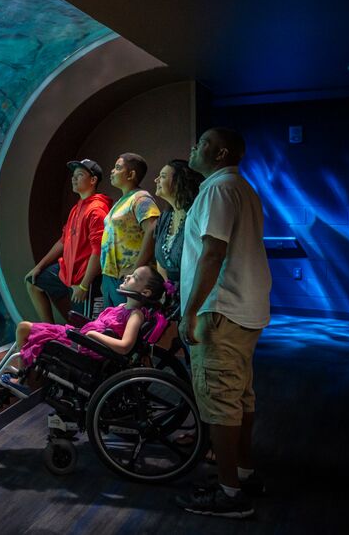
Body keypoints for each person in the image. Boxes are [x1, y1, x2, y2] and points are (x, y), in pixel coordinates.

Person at [175, 128, 271, 519]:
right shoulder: (243, 189)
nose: (193, 147)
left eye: (200, 144)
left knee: (219, 402)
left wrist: (190, 310)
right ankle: (243, 472)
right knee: (241, 397)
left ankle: (229, 493)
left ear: (220, 152)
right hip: (245, 310)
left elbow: (212, 253)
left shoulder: (217, 190)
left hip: (220, 311)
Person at [14, 265, 166, 366]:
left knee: (23, 328)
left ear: (145, 293)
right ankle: (23, 374)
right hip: (82, 339)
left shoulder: (135, 316)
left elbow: (125, 347)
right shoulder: (121, 307)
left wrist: (93, 335)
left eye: (134, 277)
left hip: (87, 347)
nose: (127, 276)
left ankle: (21, 377)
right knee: (25, 328)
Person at [25, 159, 112, 323]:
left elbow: (99, 251)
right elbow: (63, 241)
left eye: (79, 175)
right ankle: (49, 330)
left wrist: (84, 285)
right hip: (67, 271)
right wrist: (39, 267)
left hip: (86, 280)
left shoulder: (97, 210)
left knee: (85, 330)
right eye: (73, 175)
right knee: (33, 282)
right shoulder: (77, 207)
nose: (74, 178)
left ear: (93, 180)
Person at [99, 153, 160, 309]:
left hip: (128, 278)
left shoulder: (141, 198)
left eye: (118, 168)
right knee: (111, 324)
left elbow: (153, 228)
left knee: (127, 326)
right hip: (111, 277)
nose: (112, 171)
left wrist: (135, 269)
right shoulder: (122, 200)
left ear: (131, 174)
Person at [153, 158, 205, 290]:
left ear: (179, 182)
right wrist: (167, 289)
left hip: (194, 291)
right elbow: (161, 262)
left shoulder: (195, 215)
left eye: (163, 176)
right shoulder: (164, 217)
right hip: (171, 297)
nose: (156, 180)